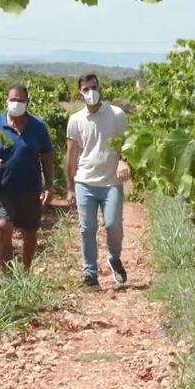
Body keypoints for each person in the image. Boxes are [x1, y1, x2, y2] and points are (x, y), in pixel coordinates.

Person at [0, 82, 55, 271]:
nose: (16, 103)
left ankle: (26, 273)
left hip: (29, 189)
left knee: (29, 233)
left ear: (27, 102)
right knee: (3, 226)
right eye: (13, 100)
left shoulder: (38, 126)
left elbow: (47, 157)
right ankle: (8, 275)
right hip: (1, 188)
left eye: (20, 100)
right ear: (6, 100)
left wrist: (49, 185)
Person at [65, 73, 131, 290]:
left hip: (111, 182)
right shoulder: (76, 120)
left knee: (113, 225)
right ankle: (90, 273)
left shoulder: (116, 114)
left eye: (93, 87)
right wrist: (70, 188)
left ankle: (114, 258)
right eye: (85, 89)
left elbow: (128, 144)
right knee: (88, 228)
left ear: (100, 88)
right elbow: (71, 155)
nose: (90, 92)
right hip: (85, 181)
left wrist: (123, 161)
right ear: (79, 92)